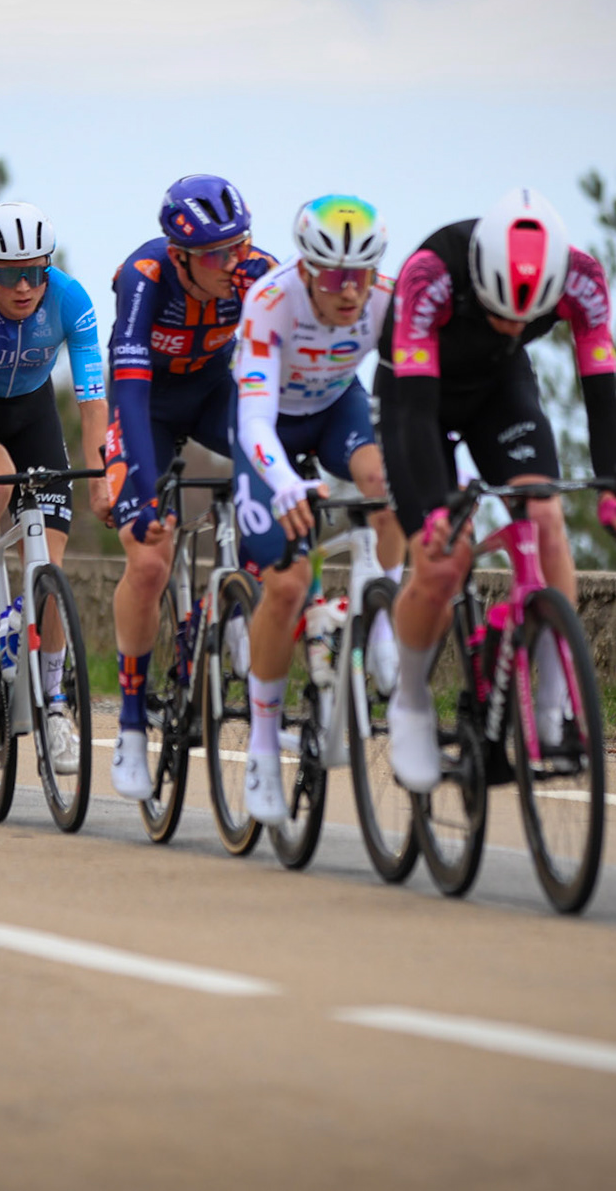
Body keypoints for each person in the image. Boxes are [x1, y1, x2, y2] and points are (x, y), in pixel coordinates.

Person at [376, 188, 616, 793]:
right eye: (499, 311)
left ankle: (553, 706)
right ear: (478, 276)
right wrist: (434, 513)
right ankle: (411, 699)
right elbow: (417, 415)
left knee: (545, 517)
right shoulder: (429, 275)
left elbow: (601, 389)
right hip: (415, 394)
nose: (513, 325)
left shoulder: (582, 279)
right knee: (442, 560)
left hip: (498, 386)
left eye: (527, 317)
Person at [228, 195, 405, 824]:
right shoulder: (271, 301)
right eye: (334, 278)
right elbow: (254, 419)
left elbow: (414, 397)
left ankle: (381, 629)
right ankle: (262, 745)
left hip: (335, 409)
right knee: (287, 585)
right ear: (305, 269)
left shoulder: (386, 300)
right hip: (269, 425)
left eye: (362, 275)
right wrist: (282, 483)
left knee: (388, 485)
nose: (350, 291)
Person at [102, 174, 277, 800]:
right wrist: (144, 494)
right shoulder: (145, 277)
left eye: (239, 246)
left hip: (212, 393)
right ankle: (130, 724)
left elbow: (276, 381)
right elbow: (128, 389)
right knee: (150, 559)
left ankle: (235, 604)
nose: (232, 263)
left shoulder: (260, 273)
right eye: (214, 254)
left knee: (275, 473)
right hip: (146, 405)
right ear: (180, 256)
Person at [0, 201, 107, 772]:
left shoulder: (71, 300)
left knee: (49, 574)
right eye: (9, 275)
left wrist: (102, 480)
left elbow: (92, 403)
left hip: (33, 411)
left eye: (35, 271)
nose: (24, 286)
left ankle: (54, 705)